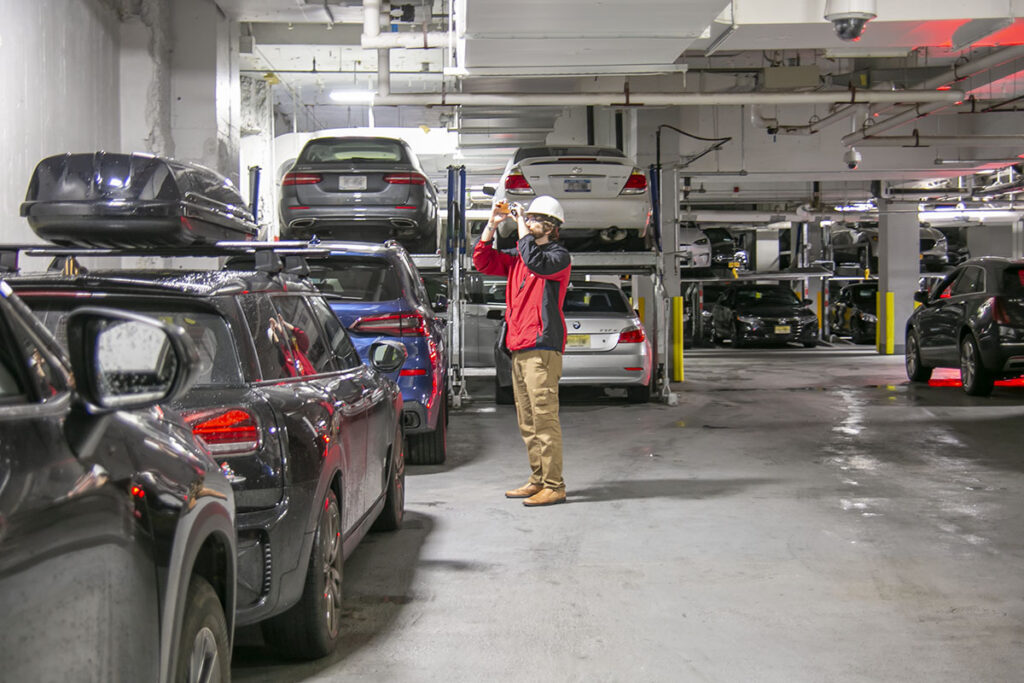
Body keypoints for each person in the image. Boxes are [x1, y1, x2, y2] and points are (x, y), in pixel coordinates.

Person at [473, 195, 572, 507]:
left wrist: (519, 225)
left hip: (542, 347)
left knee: (544, 420)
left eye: (534, 219)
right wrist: (492, 225)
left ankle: (555, 485)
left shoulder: (557, 257)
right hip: (519, 346)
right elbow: (483, 261)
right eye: (528, 218)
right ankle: (538, 480)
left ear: (552, 226)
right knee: (528, 422)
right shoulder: (521, 257)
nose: (528, 223)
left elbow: (534, 261)